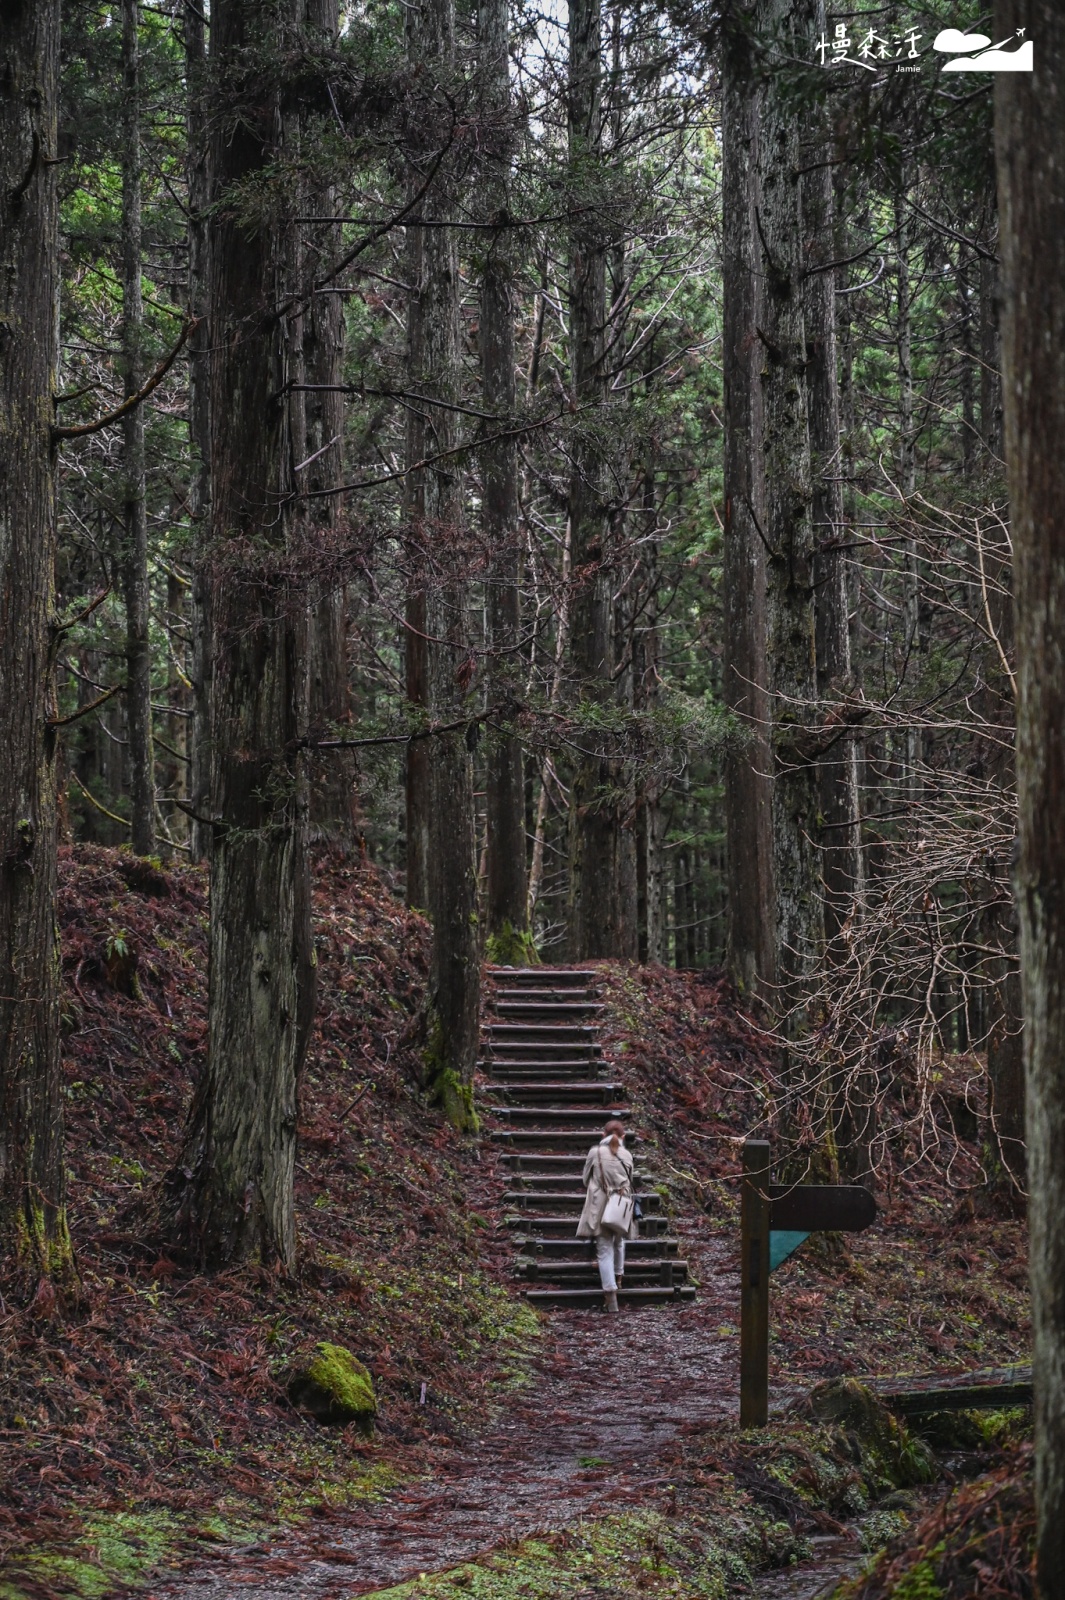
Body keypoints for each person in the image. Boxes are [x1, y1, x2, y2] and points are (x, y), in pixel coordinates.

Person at [576, 1118, 637, 1312]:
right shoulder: (627, 1155)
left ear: (603, 1135)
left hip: (601, 1206)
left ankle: (610, 1295)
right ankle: (619, 1276)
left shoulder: (595, 1153)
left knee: (604, 1250)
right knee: (619, 1241)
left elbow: (586, 1180)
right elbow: (630, 1181)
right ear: (623, 1137)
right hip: (621, 1206)